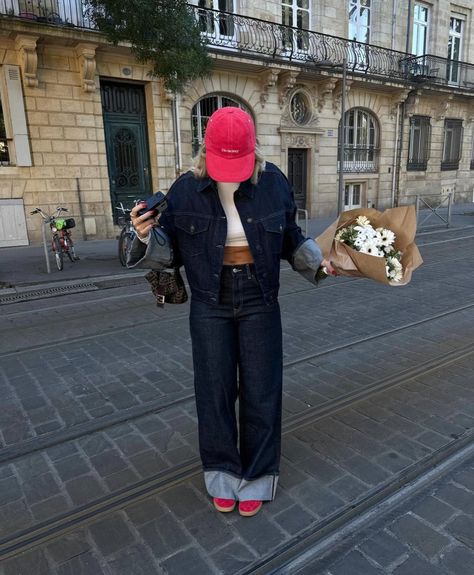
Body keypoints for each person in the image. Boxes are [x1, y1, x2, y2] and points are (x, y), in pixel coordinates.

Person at [128, 107, 335, 517]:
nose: (231, 174)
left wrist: (321, 263)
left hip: (260, 298)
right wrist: (143, 233)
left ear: (253, 152)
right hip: (210, 300)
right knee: (215, 391)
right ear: (205, 152)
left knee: (262, 390)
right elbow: (167, 252)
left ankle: (258, 476)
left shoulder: (274, 182)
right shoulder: (185, 189)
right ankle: (222, 471)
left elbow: (290, 237)